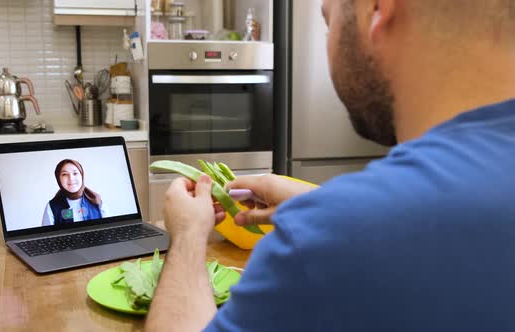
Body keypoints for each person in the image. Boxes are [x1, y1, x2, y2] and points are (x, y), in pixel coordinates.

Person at [145, 0, 515, 331]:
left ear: (376, 10)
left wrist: (189, 235)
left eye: (327, 21)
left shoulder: (330, 241)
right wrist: (322, 203)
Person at [42, 159, 108, 226]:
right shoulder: (52, 206)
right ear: (58, 179)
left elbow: (107, 227)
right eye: (65, 174)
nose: (71, 178)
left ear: (81, 175)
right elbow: (47, 234)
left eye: (75, 173)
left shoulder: (97, 200)